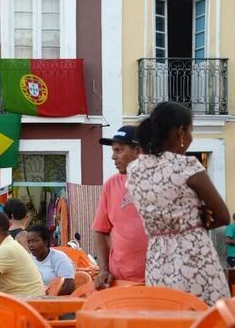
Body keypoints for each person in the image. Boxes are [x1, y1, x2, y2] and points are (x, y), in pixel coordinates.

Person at [127, 101, 230, 306]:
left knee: (167, 314)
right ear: (180, 132)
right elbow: (223, 216)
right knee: (206, 315)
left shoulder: (135, 169)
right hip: (193, 255)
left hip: (157, 258)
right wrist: (197, 221)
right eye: (191, 130)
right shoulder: (186, 166)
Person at [92, 125, 148, 288]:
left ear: (137, 151)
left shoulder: (159, 182)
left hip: (157, 278)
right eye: (113, 150)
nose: (113, 157)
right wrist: (103, 269)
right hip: (120, 280)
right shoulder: (111, 184)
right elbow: (100, 230)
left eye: (119, 150)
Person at [26, 225, 75, 295]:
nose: (31, 245)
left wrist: (47, 295)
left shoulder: (59, 257)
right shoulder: (28, 259)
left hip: (55, 301)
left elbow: (69, 287)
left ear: (46, 242)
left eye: (35, 241)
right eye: (29, 241)